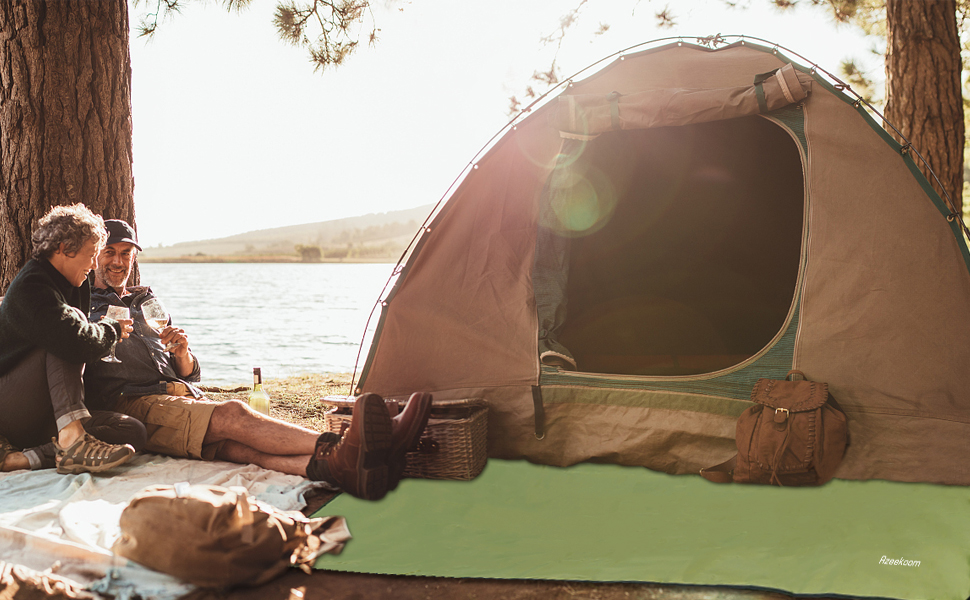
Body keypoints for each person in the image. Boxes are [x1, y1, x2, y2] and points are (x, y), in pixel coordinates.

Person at [84, 220, 431, 500]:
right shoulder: (86, 307)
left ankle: (341, 468)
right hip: (134, 403)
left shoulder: (146, 301)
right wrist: (104, 333)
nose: (118, 261)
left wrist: (183, 353)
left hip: (180, 394)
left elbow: (191, 374)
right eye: (110, 252)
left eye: (126, 253)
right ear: (95, 256)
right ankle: (353, 445)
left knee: (242, 449)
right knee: (234, 414)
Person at [0, 204, 146, 474]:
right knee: (68, 335)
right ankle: (74, 443)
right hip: (8, 407)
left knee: (131, 430)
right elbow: (76, 342)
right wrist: (111, 330)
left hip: (44, 414)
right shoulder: (32, 286)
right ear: (65, 248)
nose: (93, 265)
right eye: (92, 255)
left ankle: (24, 459)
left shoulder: (74, 284)